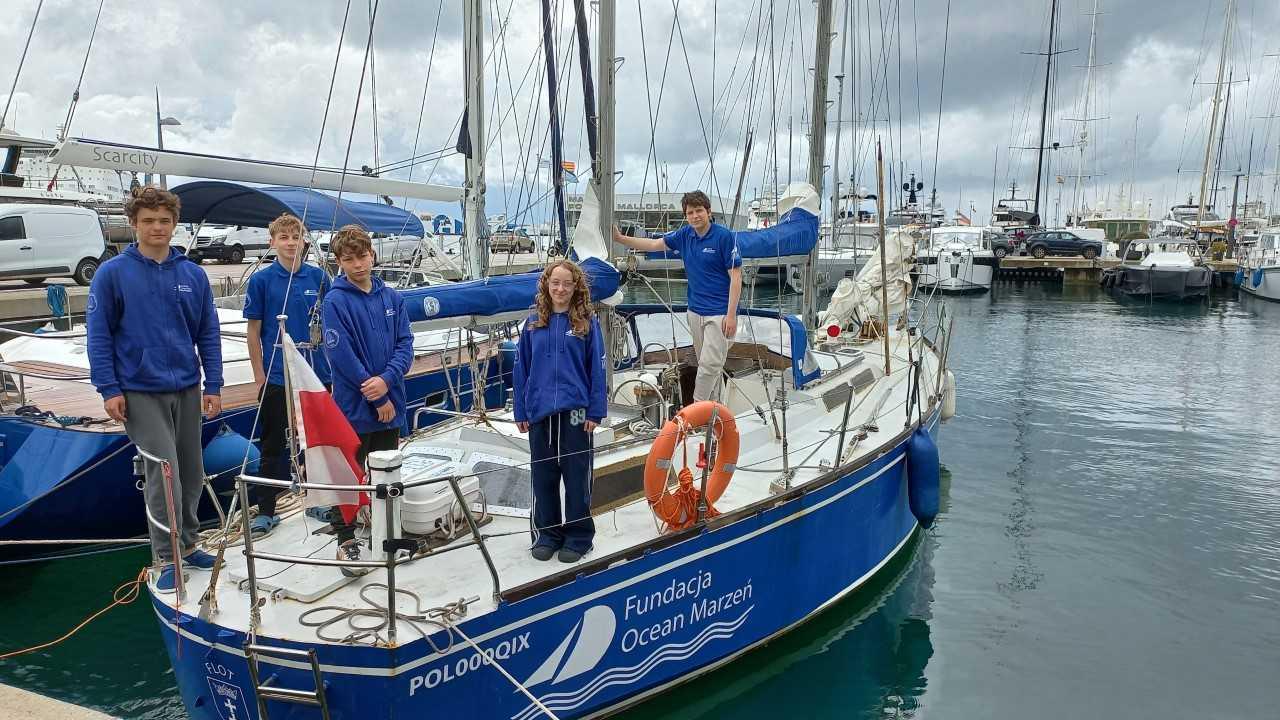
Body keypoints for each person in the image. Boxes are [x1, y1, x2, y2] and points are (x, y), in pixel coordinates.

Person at [86, 185, 223, 593]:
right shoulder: (113, 274)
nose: (157, 228)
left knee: (192, 473)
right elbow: (99, 336)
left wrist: (212, 383)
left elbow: (208, 333)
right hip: (139, 390)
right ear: (134, 224)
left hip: (186, 386)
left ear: (174, 224)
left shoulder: (192, 274)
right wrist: (108, 388)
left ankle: (190, 542)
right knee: (163, 474)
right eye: (148, 221)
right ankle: (166, 556)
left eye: (164, 220)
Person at [321, 225, 413, 574]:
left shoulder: (392, 298)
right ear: (339, 262)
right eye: (349, 259)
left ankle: (385, 532)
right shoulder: (335, 301)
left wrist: (387, 380)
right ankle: (345, 538)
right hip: (356, 404)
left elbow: (406, 344)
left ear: (372, 255)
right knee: (348, 471)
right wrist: (374, 394)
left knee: (385, 470)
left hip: (392, 397)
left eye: (362, 256)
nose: (357, 264)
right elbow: (340, 354)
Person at [512, 260, 608, 563]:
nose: (561, 289)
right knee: (543, 476)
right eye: (555, 283)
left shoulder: (586, 323)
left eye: (567, 283)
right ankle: (548, 533)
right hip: (540, 412)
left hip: (576, 412)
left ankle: (579, 536)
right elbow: (520, 369)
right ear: (547, 285)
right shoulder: (532, 324)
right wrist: (521, 410)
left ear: (575, 286)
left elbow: (597, 368)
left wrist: (595, 411)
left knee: (577, 475)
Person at [243, 213, 331, 539]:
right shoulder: (262, 281)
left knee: (315, 442)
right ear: (273, 242)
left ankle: (316, 499)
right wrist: (258, 376)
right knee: (272, 445)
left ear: (304, 241)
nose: (291, 243)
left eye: (296, 237)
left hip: (315, 375)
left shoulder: (319, 278)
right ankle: (266, 511)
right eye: (284, 237)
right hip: (278, 376)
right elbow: (253, 332)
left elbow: (332, 324)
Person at [613, 190, 742, 402]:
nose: (695, 216)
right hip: (695, 311)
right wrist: (620, 238)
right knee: (708, 366)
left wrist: (731, 315)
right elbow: (654, 245)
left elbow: (736, 277)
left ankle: (696, 409)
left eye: (699, 211)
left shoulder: (723, 237)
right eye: (690, 212)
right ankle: (715, 409)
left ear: (708, 212)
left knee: (709, 365)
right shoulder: (685, 235)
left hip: (719, 313)